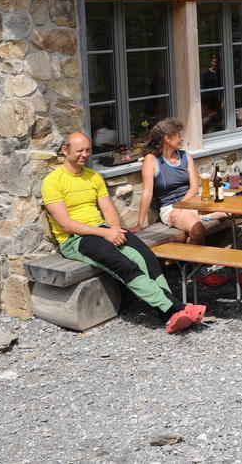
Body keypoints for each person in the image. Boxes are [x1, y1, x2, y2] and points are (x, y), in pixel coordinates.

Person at [42, 132, 204, 334]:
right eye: (79, 151)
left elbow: (109, 210)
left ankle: (170, 313)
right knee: (124, 264)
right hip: (75, 239)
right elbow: (66, 224)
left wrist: (114, 229)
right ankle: (176, 308)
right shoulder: (52, 182)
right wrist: (105, 234)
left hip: (102, 230)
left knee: (147, 257)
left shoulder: (93, 177)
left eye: (87, 150)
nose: (85, 154)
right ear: (65, 151)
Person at [134, 118, 222, 244]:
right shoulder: (152, 160)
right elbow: (147, 192)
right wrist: (139, 224)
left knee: (234, 212)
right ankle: (195, 262)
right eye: (178, 135)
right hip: (171, 208)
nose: (182, 139)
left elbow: (194, 187)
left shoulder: (186, 156)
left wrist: (181, 206)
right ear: (167, 138)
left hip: (192, 202)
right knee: (198, 229)